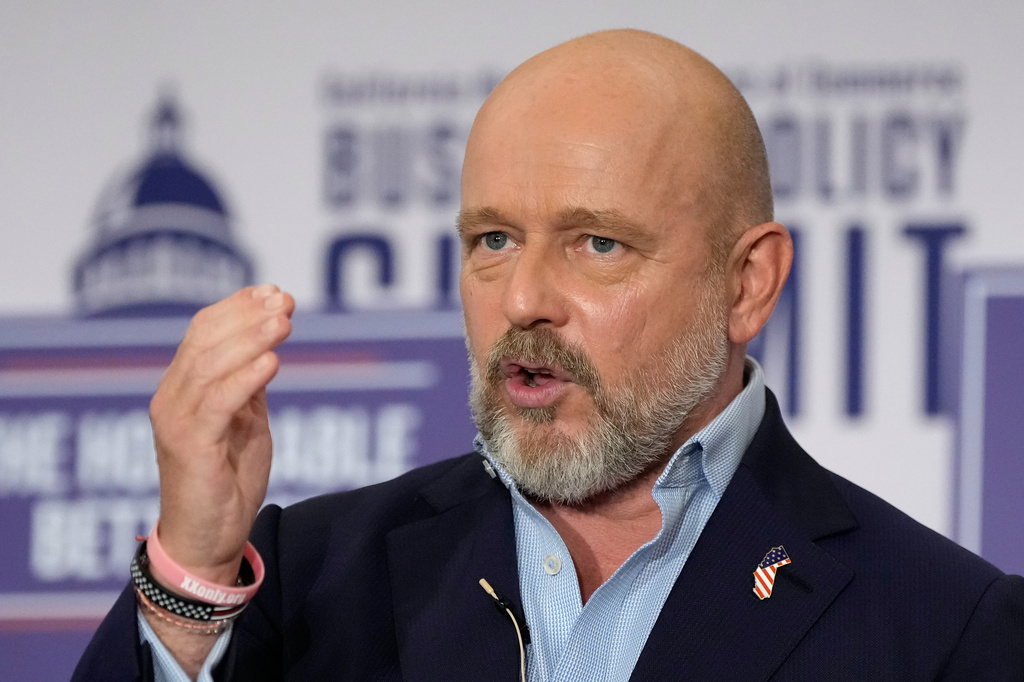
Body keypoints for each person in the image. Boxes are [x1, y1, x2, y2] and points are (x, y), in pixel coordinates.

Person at [74, 29, 1024, 681]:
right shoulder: (296, 579)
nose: (523, 300)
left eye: (597, 244)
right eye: (492, 240)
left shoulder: (944, 629)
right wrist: (191, 575)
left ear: (747, 286)